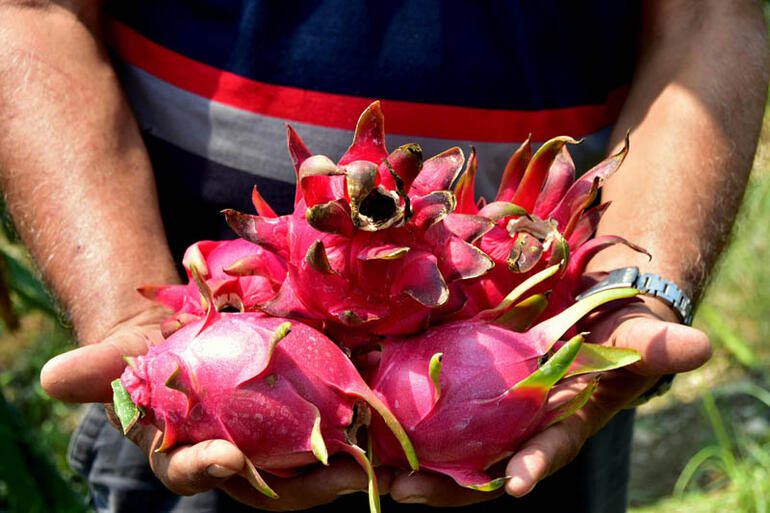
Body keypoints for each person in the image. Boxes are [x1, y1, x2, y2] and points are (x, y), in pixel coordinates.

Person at [1, 1, 767, 512]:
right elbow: (34, 10)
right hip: (186, 373)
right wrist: (124, 309)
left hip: (551, 373)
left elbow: (709, 16)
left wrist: (626, 289)